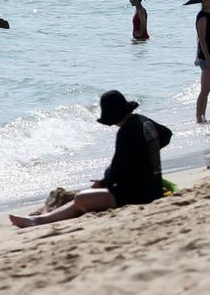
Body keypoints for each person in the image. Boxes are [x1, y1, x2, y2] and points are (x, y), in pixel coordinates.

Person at [10, 90, 172, 228]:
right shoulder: (143, 120)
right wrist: (145, 151)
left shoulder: (126, 131)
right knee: (84, 198)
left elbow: (118, 167)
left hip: (138, 194)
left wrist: (102, 183)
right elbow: (166, 134)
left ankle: (37, 221)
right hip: (153, 187)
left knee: (81, 198)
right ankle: (38, 220)